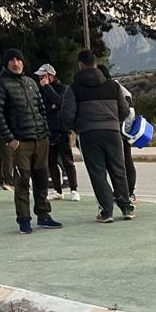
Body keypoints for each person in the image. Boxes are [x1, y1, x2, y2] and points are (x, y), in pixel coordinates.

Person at [0, 48, 62, 234]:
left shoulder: (30, 82)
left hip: (40, 139)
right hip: (20, 142)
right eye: (11, 60)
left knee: (42, 180)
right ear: (6, 64)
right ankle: (24, 219)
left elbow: (40, 108)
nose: (16, 63)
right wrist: (10, 139)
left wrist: (45, 131)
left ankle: (43, 215)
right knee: (22, 182)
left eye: (18, 59)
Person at [63, 50, 133, 223]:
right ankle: (126, 207)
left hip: (88, 134)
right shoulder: (112, 85)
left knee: (97, 172)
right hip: (113, 131)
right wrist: (114, 121)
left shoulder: (74, 88)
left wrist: (76, 128)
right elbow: (125, 110)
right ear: (96, 63)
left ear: (80, 65)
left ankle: (106, 211)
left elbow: (67, 115)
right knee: (118, 169)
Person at [35, 63, 80, 202]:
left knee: (67, 161)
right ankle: (57, 190)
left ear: (50, 76)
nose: (40, 79)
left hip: (61, 130)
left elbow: (59, 102)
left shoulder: (63, 88)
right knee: (51, 162)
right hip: (47, 130)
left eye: (43, 76)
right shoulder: (40, 90)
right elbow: (42, 107)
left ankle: (74, 190)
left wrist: (48, 88)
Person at [100, 65, 138, 206]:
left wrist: (123, 131)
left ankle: (129, 192)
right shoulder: (115, 87)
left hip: (120, 132)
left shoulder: (114, 88)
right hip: (118, 130)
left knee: (124, 163)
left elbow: (129, 111)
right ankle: (123, 193)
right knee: (120, 164)